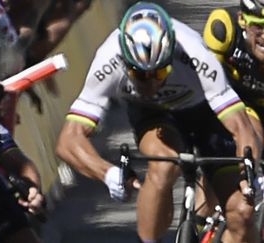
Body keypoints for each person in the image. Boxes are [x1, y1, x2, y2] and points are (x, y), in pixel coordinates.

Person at [55, 2, 262, 243]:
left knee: (242, 213)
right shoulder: (109, 58)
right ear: (125, 60)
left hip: (205, 113)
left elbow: (240, 127)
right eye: (140, 75)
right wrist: (108, 173)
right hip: (154, 115)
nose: (152, 84)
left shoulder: (194, 52)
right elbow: (68, 140)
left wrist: (248, 171)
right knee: (164, 166)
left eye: (160, 73)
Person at [192, 0, 264, 231]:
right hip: (231, 101)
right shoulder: (223, 28)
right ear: (243, 21)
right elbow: (204, 80)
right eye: (259, 27)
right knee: (220, 158)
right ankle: (198, 223)